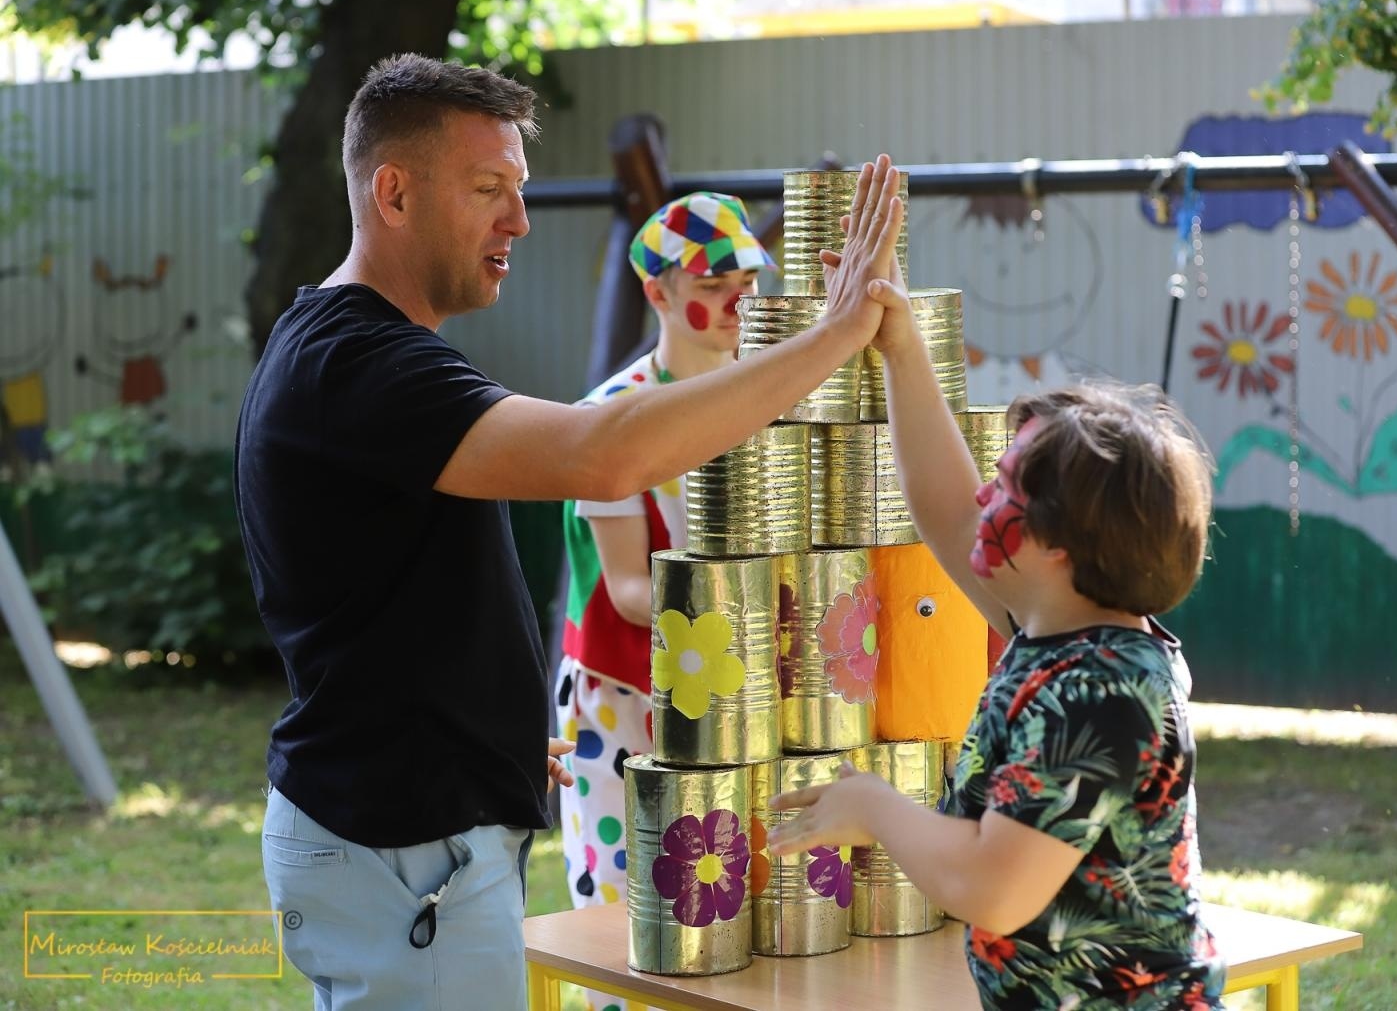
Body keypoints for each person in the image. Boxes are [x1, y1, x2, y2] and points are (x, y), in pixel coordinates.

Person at [235, 51, 905, 1011]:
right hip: (401, 849)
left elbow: (385, 605)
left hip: (414, 830)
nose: (518, 220)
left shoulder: (361, 352)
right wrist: (834, 337)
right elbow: (605, 454)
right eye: (488, 189)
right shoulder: (359, 364)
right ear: (392, 192)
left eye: (519, 189)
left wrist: (490, 730)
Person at [768, 263, 1226, 1008]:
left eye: (1008, 487)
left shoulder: (1103, 692)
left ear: (1062, 546)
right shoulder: (1058, 625)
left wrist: (876, 808)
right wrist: (903, 346)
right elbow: (947, 509)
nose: (986, 493)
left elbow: (994, 888)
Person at [556, 191, 772, 911]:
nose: (738, 303)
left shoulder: (771, 404)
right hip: (630, 700)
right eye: (714, 287)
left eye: (746, 285)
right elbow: (627, 590)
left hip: (740, 687)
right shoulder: (613, 419)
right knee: (630, 908)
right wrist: (755, 609)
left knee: (737, 904)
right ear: (657, 292)